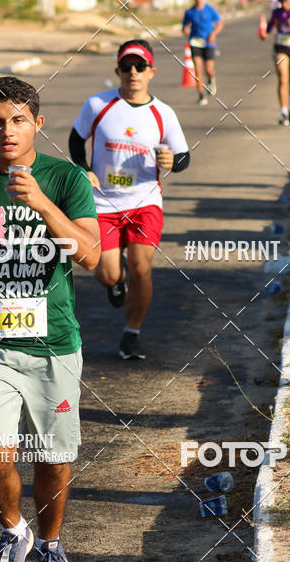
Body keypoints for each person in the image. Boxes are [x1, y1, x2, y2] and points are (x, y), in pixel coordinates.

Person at [0, 76, 100, 562]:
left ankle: (49, 541)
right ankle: (14, 531)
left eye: (18, 121)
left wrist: (42, 203)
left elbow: (90, 256)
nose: (7, 131)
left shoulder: (65, 179)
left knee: (54, 455)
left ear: (37, 124)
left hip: (54, 342)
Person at [69, 39, 190, 360]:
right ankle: (116, 278)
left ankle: (131, 334)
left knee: (142, 268)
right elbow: (75, 139)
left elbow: (182, 157)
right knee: (106, 272)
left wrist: (171, 163)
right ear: (117, 70)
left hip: (144, 202)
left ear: (152, 72)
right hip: (102, 203)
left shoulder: (163, 113)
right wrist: (83, 170)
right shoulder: (97, 105)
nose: (132, 73)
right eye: (126, 66)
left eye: (139, 67)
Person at [182, 0, 224, 105]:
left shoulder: (210, 10)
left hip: (209, 42)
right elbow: (184, 25)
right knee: (197, 68)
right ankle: (201, 95)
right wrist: (185, 29)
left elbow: (220, 24)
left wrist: (213, 34)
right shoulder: (189, 12)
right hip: (195, 42)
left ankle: (211, 79)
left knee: (209, 69)